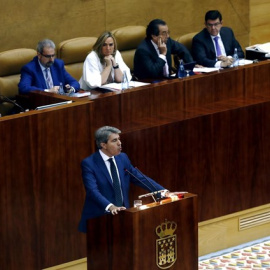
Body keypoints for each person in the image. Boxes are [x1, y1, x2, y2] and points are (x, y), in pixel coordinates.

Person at [78, 126, 169, 233]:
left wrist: (162, 191)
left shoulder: (123, 158)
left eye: (119, 139)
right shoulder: (89, 164)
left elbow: (139, 178)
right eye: (114, 140)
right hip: (99, 219)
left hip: (123, 215)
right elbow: (92, 191)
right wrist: (111, 206)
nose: (119, 143)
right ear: (103, 145)